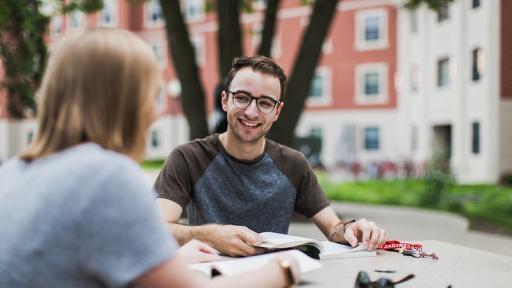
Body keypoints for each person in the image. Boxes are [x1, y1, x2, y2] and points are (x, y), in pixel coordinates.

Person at [0, 29, 300, 288]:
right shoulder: (106, 176)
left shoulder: (11, 175)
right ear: (122, 103)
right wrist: (285, 269)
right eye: (149, 96)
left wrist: (165, 260)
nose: (154, 113)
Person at [155, 56, 389, 257]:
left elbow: (334, 228)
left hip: (275, 278)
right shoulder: (188, 158)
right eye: (242, 98)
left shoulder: (293, 164)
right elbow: (156, 228)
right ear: (226, 100)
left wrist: (353, 228)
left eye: (265, 103)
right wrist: (209, 235)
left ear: (277, 111)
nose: (252, 112)